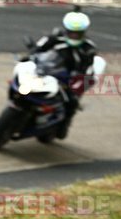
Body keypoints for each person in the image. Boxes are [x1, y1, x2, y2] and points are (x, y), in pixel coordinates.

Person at [31, 7, 98, 139]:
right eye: (71, 32)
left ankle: (63, 126)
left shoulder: (88, 48)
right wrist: (29, 56)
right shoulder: (56, 37)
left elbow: (88, 69)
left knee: (71, 102)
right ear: (66, 30)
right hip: (49, 71)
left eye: (77, 33)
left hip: (69, 79)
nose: (74, 35)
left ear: (83, 32)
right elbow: (39, 47)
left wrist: (79, 80)